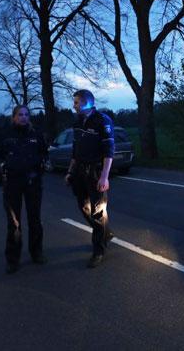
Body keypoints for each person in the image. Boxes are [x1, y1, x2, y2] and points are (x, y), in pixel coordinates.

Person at [0, 105, 48, 274]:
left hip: (33, 182)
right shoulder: (4, 135)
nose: (23, 117)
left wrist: (43, 164)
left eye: (26, 114)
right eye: (20, 115)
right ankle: (13, 260)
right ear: (13, 117)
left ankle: (37, 253)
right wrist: (2, 165)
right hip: (12, 183)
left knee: (35, 220)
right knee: (14, 223)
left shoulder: (36, 135)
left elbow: (44, 153)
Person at [65, 89, 115, 268]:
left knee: (98, 211)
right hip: (79, 171)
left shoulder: (102, 121)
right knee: (83, 206)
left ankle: (98, 250)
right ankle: (105, 232)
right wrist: (70, 171)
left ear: (86, 102)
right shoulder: (77, 122)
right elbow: (75, 149)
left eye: (76, 102)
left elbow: (109, 152)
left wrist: (104, 177)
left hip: (96, 172)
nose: (74, 105)